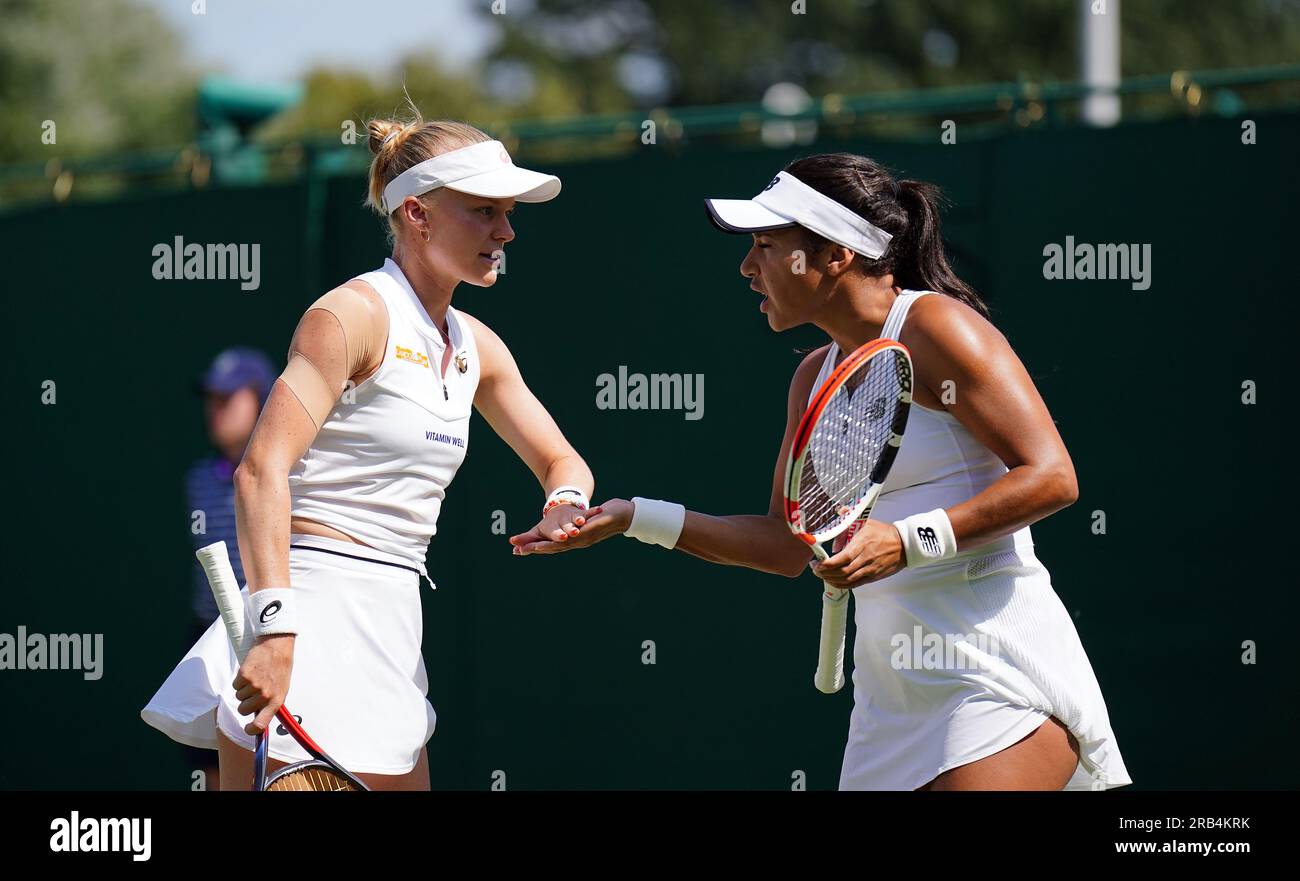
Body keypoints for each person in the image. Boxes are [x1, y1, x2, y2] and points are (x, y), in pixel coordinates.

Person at [515, 153, 1132, 791]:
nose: (747, 267)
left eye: (765, 245)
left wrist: (906, 541)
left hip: (996, 680)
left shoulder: (937, 328)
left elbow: (1053, 476)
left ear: (834, 255)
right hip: (889, 702)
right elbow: (787, 545)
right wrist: (633, 517)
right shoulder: (813, 376)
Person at [144, 110, 596, 791]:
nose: (506, 232)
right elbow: (260, 470)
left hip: (394, 628)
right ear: (417, 212)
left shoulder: (478, 348)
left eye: (507, 213)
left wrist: (566, 501)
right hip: (306, 619)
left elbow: (563, 461)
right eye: (484, 212)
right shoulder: (349, 316)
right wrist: (274, 631)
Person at [180, 346, 276, 790]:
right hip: (208, 638)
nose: (215, 410)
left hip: (268, 640)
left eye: (228, 398)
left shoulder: (291, 475)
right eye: (210, 400)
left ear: (261, 400)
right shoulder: (198, 479)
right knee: (212, 768)